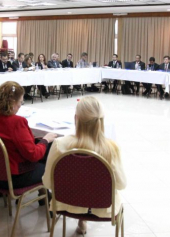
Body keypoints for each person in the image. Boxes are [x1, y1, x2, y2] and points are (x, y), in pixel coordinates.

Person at [42, 96, 126, 235]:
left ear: (76, 118)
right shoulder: (111, 148)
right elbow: (121, 184)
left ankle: (81, 220)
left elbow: (47, 183)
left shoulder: (59, 145)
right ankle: (83, 219)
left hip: (66, 204)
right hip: (102, 207)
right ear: (101, 121)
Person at [0, 81, 57, 200]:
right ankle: (46, 199)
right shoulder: (16, 122)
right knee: (50, 158)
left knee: (40, 147)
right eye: (20, 102)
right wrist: (45, 140)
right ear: (13, 103)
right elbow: (33, 155)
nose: (20, 106)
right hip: (12, 178)